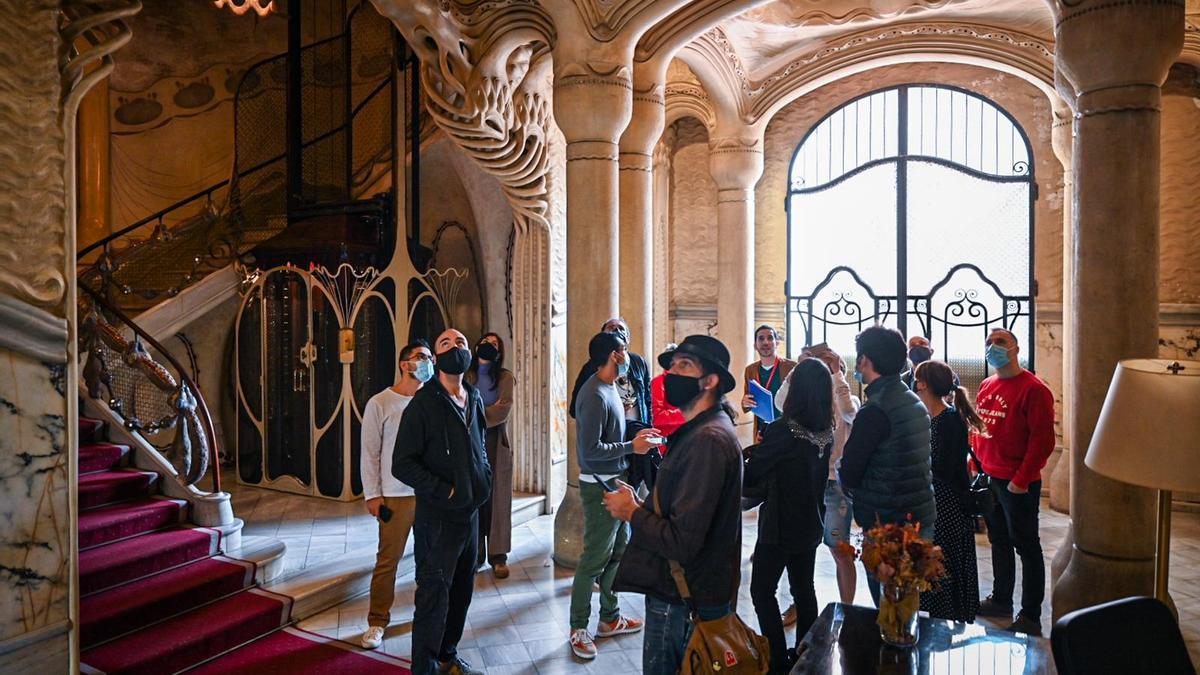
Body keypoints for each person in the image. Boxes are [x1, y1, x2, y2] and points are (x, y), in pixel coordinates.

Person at [605, 335, 743, 675]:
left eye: (685, 366)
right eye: (671, 365)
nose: (670, 374)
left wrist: (632, 513)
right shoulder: (702, 430)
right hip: (686, 592)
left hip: (684, 598)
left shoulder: (708, 440)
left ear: (710, 381)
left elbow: (683, 541)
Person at [392, 329, 492, 675]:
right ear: (435, 359)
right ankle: (425, 667)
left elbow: (481, 444)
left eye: (461, 342)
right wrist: (444, 490)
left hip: (470, 514)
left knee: (462, 591)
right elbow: (402, 463)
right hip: (438, 518)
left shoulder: (474, 397)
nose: (456, 347)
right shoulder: (423, 404)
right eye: (446, 344)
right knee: (434, 597)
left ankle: (448, 657)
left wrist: (484, 478)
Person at [568, 332, 659, 660]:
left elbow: (614, 437)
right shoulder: (592, 394)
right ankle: (578, 627)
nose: (627, 355)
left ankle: (609, 618)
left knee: (619, 551)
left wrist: (638, 436)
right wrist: (630, 447)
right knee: (594, 558)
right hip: (598, 484)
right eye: (622, 350)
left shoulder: (611, 387)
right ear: (612, 355)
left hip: (616, 479)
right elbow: (589, 451)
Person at [745, 358, 834, 673]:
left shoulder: (784, 429)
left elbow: (753, 474)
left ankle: (777, 660)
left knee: (761, 591)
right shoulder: (826, 429)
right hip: (810, 520)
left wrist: (758, 450)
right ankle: (805, 656)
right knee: (803, 588)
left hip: (781, 524)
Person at [838, 325, 936, 606]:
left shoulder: (875, 410)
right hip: (918, 512)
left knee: (889, 607)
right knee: (908, 601)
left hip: (888, 523)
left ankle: (892, 650)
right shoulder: (913, 400)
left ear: (865, 360)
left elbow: (851, 472)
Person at [973, 327, 1055, 636]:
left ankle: (1030, 615)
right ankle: (1001, 599)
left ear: (1015, 349)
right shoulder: (986, 384)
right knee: (999, 541)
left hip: (1017, 483)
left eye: (1000, 342)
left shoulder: (1034, 390)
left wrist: (1021, 479)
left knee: (1027, 546)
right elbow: (980, 425)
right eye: (989, 342)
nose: (993, 347)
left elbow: (1042, 440)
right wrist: (976, 461)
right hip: (990, 477)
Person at [359, 340, 433, 650]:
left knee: (429, 560)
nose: (427, 362)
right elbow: (370, 452)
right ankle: (377, 621)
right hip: (394, 494)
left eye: (430, 358)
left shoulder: (432, 401)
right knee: (388, 560)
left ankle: (426, 617)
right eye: (421, 357)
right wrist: (373, 494)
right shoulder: (381, 403)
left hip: (429, 493)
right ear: (405, 364)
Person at [914, 360, 983, 623]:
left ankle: (948, 614)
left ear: (924, 385)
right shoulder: (934, 417)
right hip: (937, 499)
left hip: (948, 502)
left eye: (918, 380)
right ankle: (936, 612)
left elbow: (943, 465)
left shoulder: (948, 420)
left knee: (946, 560)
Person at [795, 344, 861, 607]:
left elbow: (850, 413)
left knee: (839, 549)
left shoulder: (848, 400)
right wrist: (800, 368)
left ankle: (847, 606)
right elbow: (780, 402)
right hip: (809, 479)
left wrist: (837, 376)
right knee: (803, 548)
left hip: (835, 483)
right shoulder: (808, 403)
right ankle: (799, 602)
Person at [570, 318, 657, 489]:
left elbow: (647, 398)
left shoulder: (638, 362)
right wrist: (613, 410)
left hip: (636, 432)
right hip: (612, 440)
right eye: (611, 328)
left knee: (640, 481)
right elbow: (576, 410)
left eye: (621, 328)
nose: (617, 331)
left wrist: (647, 427)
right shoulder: (593, 375)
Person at [465, 332, 516, 579]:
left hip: (496, 442)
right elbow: (460, 407)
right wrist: (485, 410)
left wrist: (475, 413)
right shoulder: (466, 375)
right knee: (474, 497)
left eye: (495, 345)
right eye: (486, 342)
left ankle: (498, 555)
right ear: (476, 346)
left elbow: (503, 410)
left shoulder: (505, 378)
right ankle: (476, 553)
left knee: (498, 499)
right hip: (468, 443)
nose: (489, 347)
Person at [741, 325, 797, 441]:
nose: (765, 342)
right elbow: (747, 399)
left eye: (770, 338)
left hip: (788, 431)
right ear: (755, 345)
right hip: (762, 432)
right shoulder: (750, 370)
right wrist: (745, 402)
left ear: (777, 343)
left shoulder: (791, 367)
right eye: (761, 338)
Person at [650, 344, 686, 440]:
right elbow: (656, 417)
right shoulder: (658, 382)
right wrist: (686, 414)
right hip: (666, 443)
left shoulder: (686, 383)